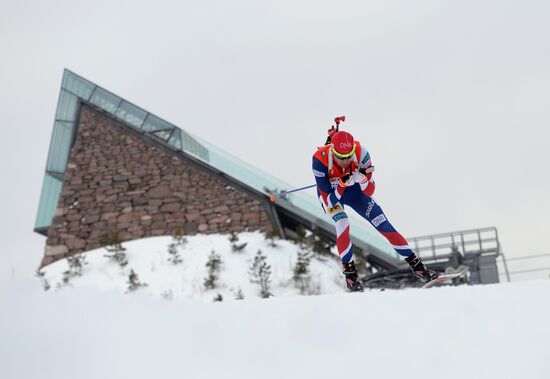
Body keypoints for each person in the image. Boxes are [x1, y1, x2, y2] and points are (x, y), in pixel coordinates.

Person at [312, 127, 437, 292]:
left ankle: (419, 268)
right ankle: (351, 277)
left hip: (356, 192)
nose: (345, 161)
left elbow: (369, 191)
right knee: (342, 222)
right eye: (340, 157)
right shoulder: (319, 160)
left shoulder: (362, 152)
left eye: (348, 156)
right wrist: (341, 185)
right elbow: (330, 199)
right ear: (332, 151)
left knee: (383, 224)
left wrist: (362, 179)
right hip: (332, 193)